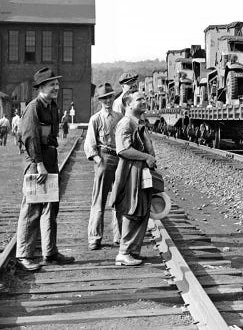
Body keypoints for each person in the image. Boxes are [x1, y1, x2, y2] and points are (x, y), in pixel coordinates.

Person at [16, 68, 75, 272]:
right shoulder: (33, 108)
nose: (57, 88)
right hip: (36, 162)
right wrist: (39, 165)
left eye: (57, 84)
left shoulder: (52, 106)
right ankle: (24, 254)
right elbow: (30, 138)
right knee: (32, 207)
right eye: (52, 85)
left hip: (50, 159)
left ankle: (49, 252)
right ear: (41, 87)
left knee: (51, 206)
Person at [109, 91, 156, 266]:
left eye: (144, 98)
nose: (144, 101)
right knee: (131, 208)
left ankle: (133, 250)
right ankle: (124, 252)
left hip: (140, 171)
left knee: (141, 208)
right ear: (128, 104)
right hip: (131, 171)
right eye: (139, 100)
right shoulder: (126, 123)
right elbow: (123, 150)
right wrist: (146, 157)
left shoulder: (138, 122)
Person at [84, 83, 123, 250]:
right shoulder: (96, 119)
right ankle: (94, 238)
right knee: (99, 199)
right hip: (104, 157)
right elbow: (90, 142)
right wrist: (97, 158)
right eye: (104, 98)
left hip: (120, 158)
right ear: (100, 100)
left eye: (109, 97)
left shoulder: (120, 117)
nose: (107, 100)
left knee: (119, 200)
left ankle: (119, 236)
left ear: (113, 97)